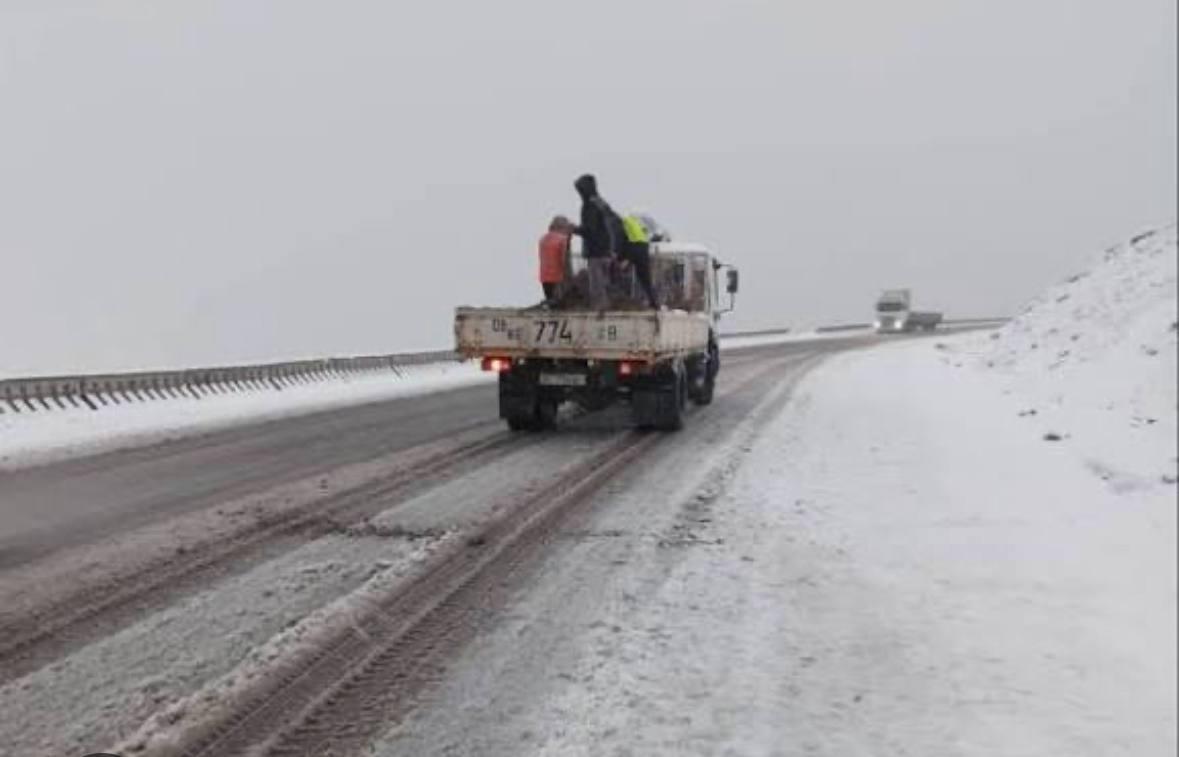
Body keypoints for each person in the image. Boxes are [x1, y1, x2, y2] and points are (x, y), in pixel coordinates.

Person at [571, 174, 624, 310]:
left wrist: (573, 229)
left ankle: (600, 311)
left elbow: (590, 230)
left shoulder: (589, 206)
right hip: (608, 250)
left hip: (595, 252)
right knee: (607, 284)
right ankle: (611, 308)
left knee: (597, 286)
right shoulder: (602, 204)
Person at [621, 213, 659, 308]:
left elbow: (624, 241)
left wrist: (626, 259)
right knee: (645, 279)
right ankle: (653, 302)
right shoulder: (635, 221)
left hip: (636, 248)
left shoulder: (624, 222)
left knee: (633, 277)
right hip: (643, 247)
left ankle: (642, 301)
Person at [538, 215, 572, 306]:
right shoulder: (562, 239)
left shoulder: (543, 239)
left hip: (544, 276)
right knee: (559, 302)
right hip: (557, 277)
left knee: (550, 299)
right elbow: (564, 259)